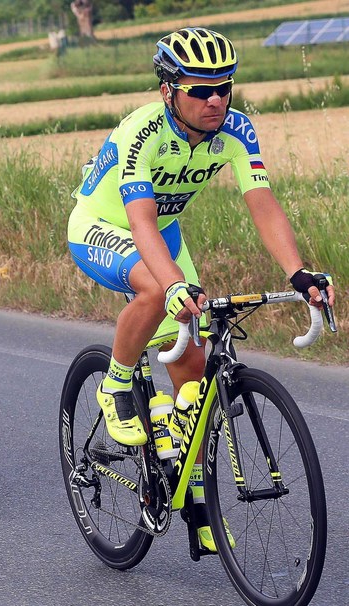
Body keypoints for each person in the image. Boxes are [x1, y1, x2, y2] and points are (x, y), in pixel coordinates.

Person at [67, 27, 335, 550]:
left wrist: (298, 273)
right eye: (201, 89)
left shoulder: (236, 130)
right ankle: (117, 383)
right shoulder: (140, 132)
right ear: (169, 91)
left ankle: (193, 501)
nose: (216, 100)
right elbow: (139, 221)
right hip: (106, 225)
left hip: (163, 231)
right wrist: (170, 286)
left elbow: (262, 201)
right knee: (155, 291)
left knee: (191, 371)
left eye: (224, 88)